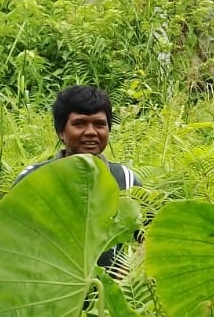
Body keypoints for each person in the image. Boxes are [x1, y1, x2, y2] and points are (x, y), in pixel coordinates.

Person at [16, 85, 141, 270]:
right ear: (61, 132)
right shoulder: (33, 180)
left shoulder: (126, 180)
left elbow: (145, 241)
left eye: (99, 124)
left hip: (114, 294)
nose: (91, 132)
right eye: (79, 123)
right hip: (49, 292)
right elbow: (12, 243)